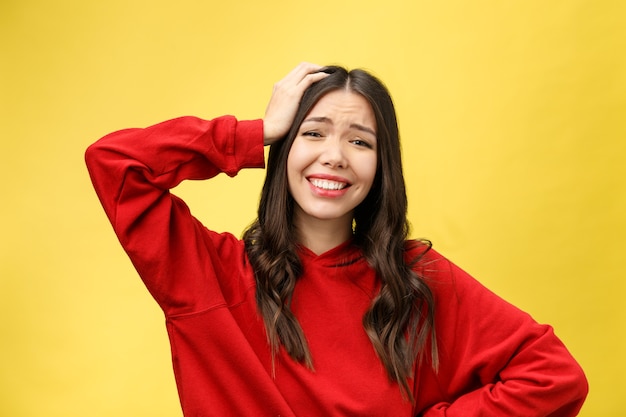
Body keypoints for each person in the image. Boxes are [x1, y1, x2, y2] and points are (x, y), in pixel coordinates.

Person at [85, 62, 588, 416]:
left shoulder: (415, 280)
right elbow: (116, 164)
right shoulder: (209, 274)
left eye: (360, 141)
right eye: (313, 132)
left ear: (381, 165)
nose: (335, 156)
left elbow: (553, 378)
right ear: (283, 148)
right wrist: (256, 131)